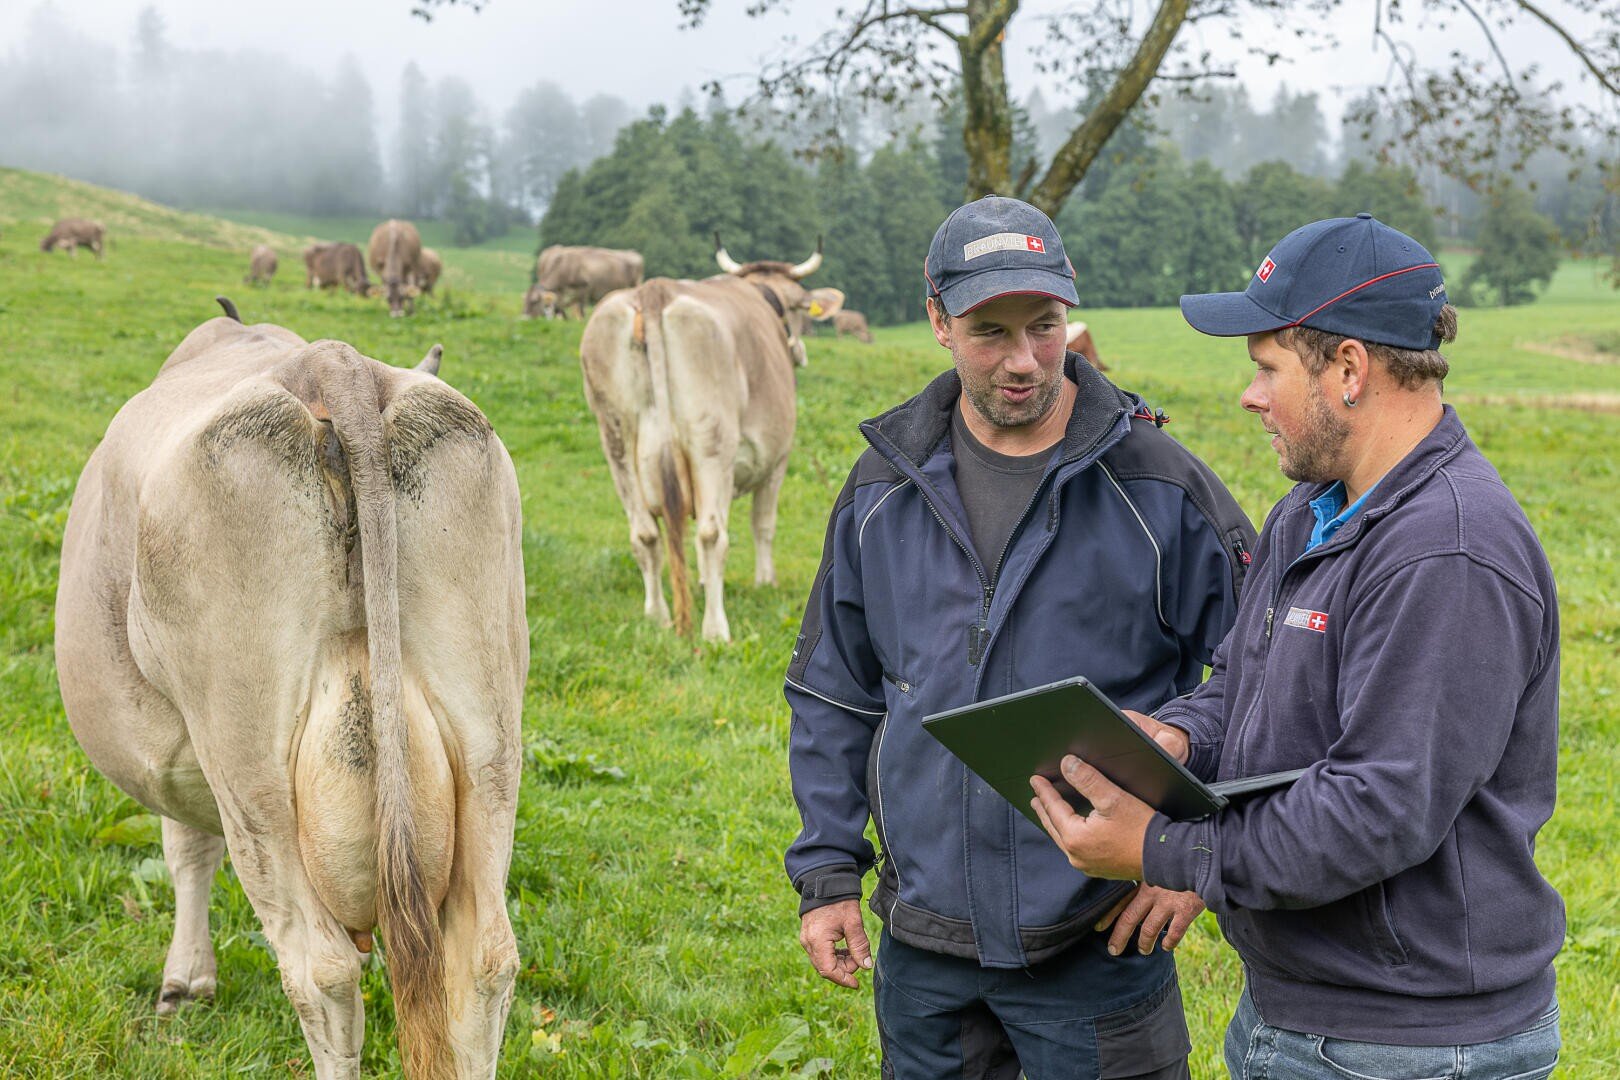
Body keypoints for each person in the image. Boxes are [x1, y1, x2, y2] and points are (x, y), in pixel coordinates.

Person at [1029, 214, 1564, 1079]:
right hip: (1302, 1014)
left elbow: (1377, 812)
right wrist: (1177, 738)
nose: (1250, 396)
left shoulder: (1447, 551)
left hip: (1411, 1047)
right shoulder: (1310, 513)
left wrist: (1161, 847)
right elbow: (1242, 681)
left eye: (1267, 368)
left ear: (1348, 369)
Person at [783, 195, 1257, 1079]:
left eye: (1044, 326)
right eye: (988, 332)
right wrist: (827, 875)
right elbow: (831, 690)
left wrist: (1192, 856)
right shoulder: (883, 487)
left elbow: (1268, 675)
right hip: (925, 955)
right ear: (938, 321)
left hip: (1099, 945)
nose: (1023, 359)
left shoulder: (1158, 486)